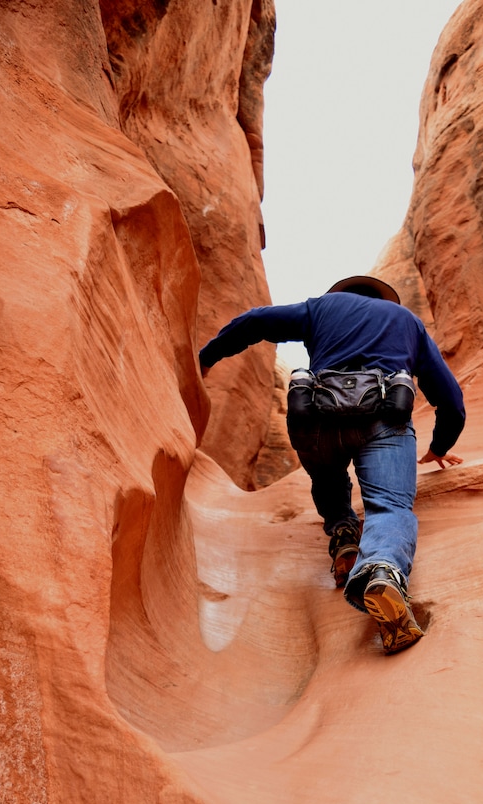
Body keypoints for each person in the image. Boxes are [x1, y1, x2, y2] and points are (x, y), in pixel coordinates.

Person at [199, 275, 465, 654]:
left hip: (316, 418)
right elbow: (450, 398)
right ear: (384, 298)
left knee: (327, 476)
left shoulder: (319, 309)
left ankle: (342, 535)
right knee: (388, 506)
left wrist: (207, 357)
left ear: (341, 294)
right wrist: (440, 445)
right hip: (385, 419)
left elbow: (254, 321)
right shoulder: (407, 321)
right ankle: (382, 571)